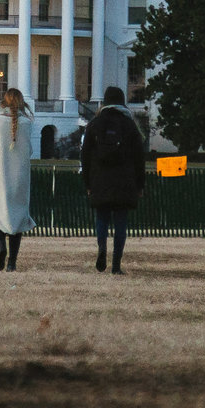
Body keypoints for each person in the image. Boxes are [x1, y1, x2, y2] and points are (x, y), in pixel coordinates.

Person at [80, 86, 147, 273]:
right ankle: (116, 265)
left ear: (105, 102)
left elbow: (85, 157)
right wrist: (140, 184)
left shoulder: (94, 124)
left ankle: (102, 248)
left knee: (101, 218)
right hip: (124, 180)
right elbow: (139, 159)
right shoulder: (129, 125)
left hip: (99, 180)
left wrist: (87, 183)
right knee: (120, 223)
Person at [0, 88, 36, 270]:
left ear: (4, 102)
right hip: (19, 177)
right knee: (17, 218)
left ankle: (1, 246)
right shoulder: (26, 124)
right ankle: (12, 262)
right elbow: (29, 151)